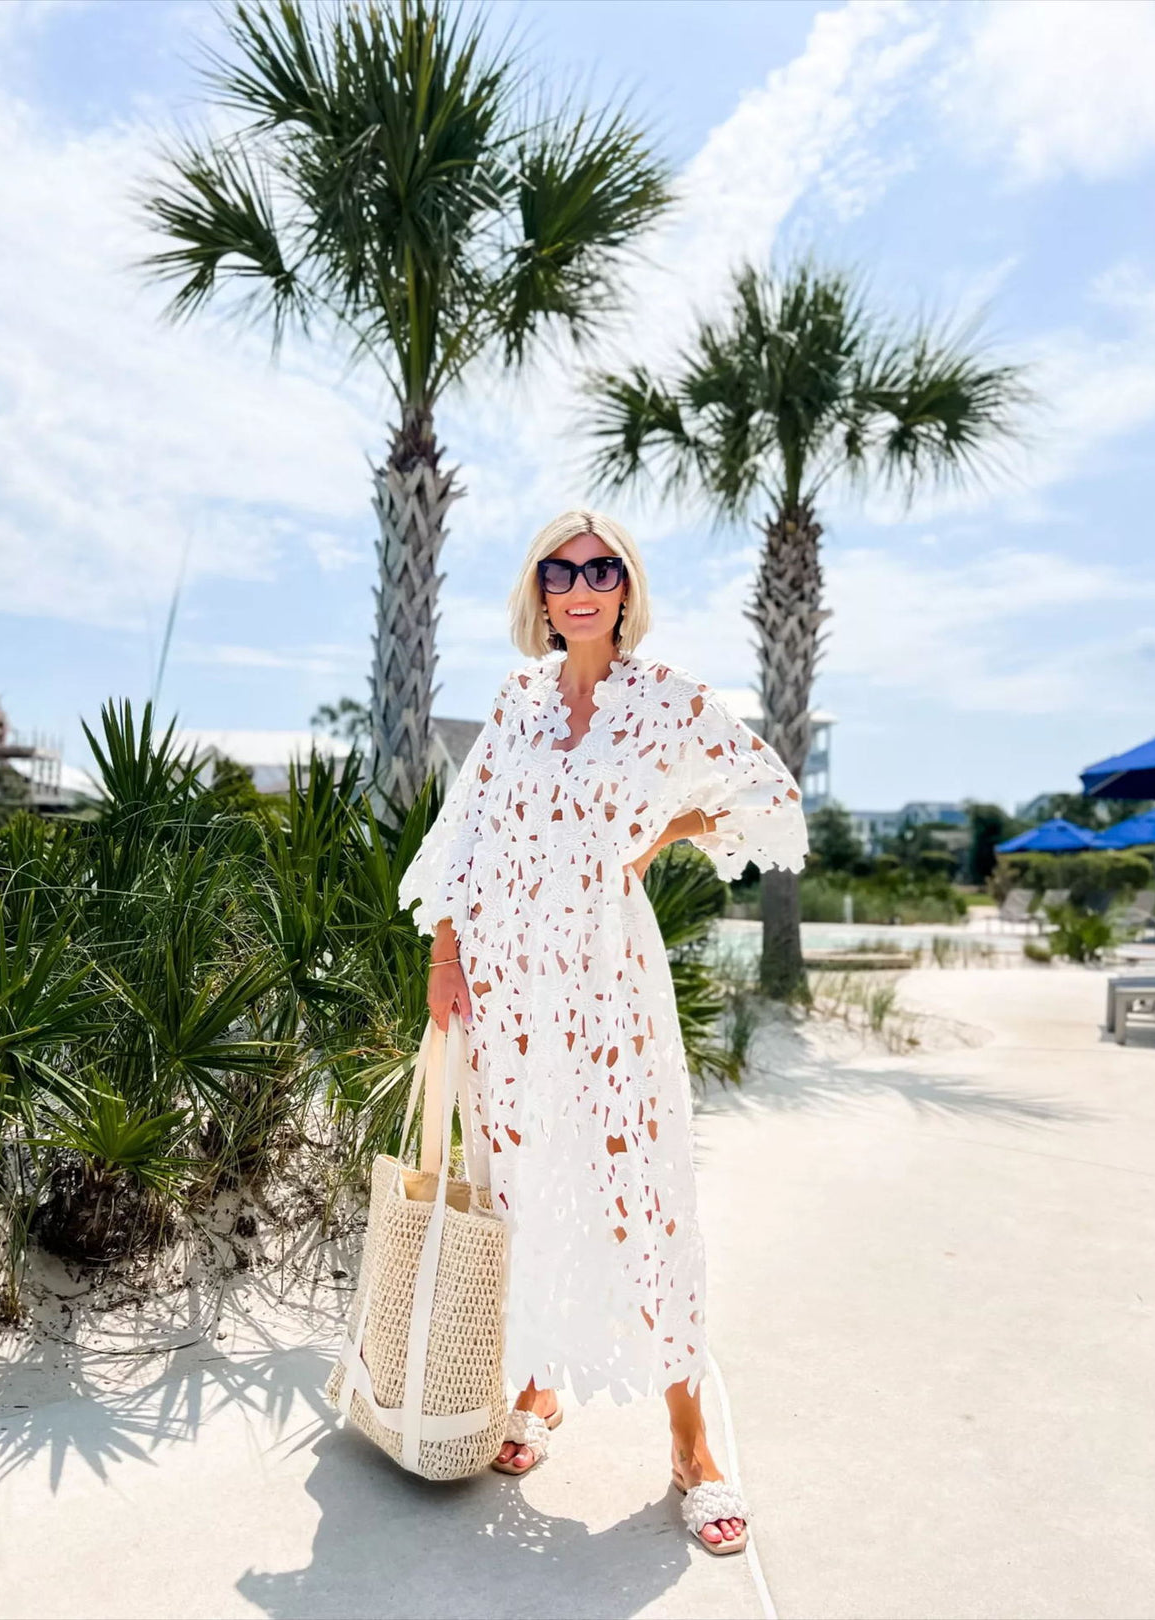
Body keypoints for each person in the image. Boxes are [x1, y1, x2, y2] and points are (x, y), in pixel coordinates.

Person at [397, 508, 808, 1556]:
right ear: (537, 592)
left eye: (600, 567)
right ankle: (537, 1382)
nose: (579, 585)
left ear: (625, 587)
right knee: (528, 1183)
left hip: (604, 983)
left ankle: (689, 1440)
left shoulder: (662, 699)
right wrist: (445, 959)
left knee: (639, 1195)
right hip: (504, 984)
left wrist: (662, 829)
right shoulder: (517, 700)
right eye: (558, 569)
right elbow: (464, 835)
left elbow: (766, 792)